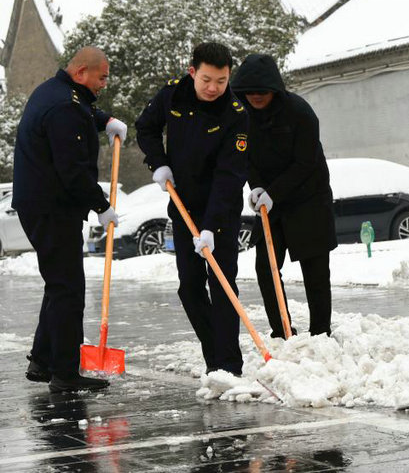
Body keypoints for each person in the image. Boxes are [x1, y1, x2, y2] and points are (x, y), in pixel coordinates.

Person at [14, 46, 127, 392]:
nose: (105, 83)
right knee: (68, 289)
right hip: (52, 207)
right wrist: (101, 205)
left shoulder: (55, 92)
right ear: (81, 74)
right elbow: (72, 170)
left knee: (58, 283)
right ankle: (64, 374)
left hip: (42, 204)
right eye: (102, 76)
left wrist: (103, 119)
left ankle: (43, 359)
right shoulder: (65, 105)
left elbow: (78, 110)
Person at [135, 42, 248, 376]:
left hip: (221, 211)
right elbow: (146, 127)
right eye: (207, 80)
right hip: (182, 204)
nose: (213, 88)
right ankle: (215, 356)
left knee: (223, 284)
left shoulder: (236, 114)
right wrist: (158, 164)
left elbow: (230, 176)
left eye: (222, 81)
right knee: (189, 287)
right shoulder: (173, 94)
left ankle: (230, 365)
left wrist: (212, 227)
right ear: (192, 73)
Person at [230, 54, 336, 338]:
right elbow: (244, 156)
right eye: (249, 92)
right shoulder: (240, 115)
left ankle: (321, 333)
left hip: (308, 198)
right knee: (266, 268)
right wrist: (256, 188)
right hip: (271, 204)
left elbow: (306, 162)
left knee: (315, 269)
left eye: (261, 92)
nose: (255, 97)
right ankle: (283, 330)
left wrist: (274, 192)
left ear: (274, 89)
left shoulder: (300, 112)